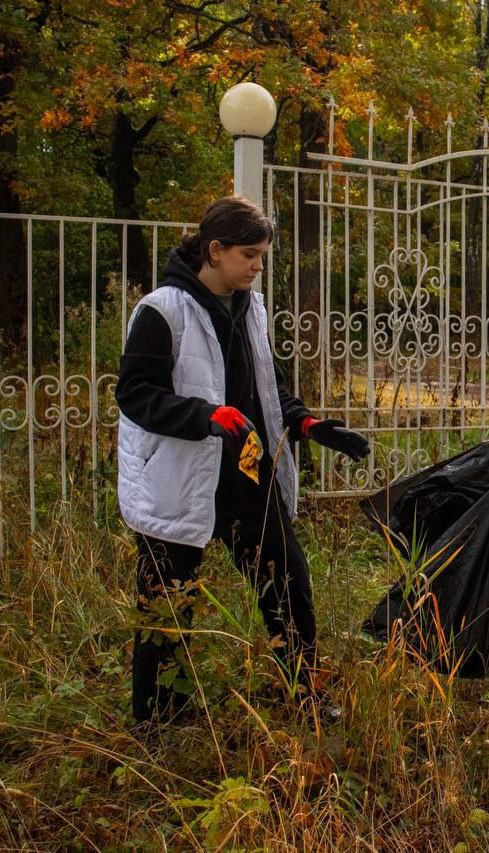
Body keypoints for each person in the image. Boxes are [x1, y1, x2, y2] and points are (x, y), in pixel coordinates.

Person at [116, 195, 370, 723]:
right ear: (215, 250)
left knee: (287, 582)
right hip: (180, 476)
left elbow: (267, 387)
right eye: (250, 255)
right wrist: (206, 416)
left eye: (262, 256)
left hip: (248, 471)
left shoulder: (249, 304)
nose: (258, 266)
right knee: (167, 597)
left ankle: (306, 693)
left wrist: (307, 423)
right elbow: (136, 394)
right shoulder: (162, 310)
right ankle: (159, 717)